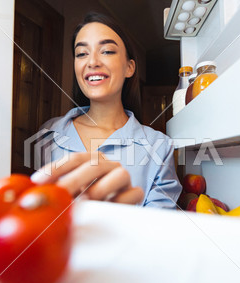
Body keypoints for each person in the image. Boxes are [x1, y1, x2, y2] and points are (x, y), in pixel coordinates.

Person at [31, 12, 182, 209]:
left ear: (129, 67)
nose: (92, 62)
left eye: (107, 51)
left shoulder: (160, 147)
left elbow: (157, 231)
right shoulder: (48, 134)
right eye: (82, 54)